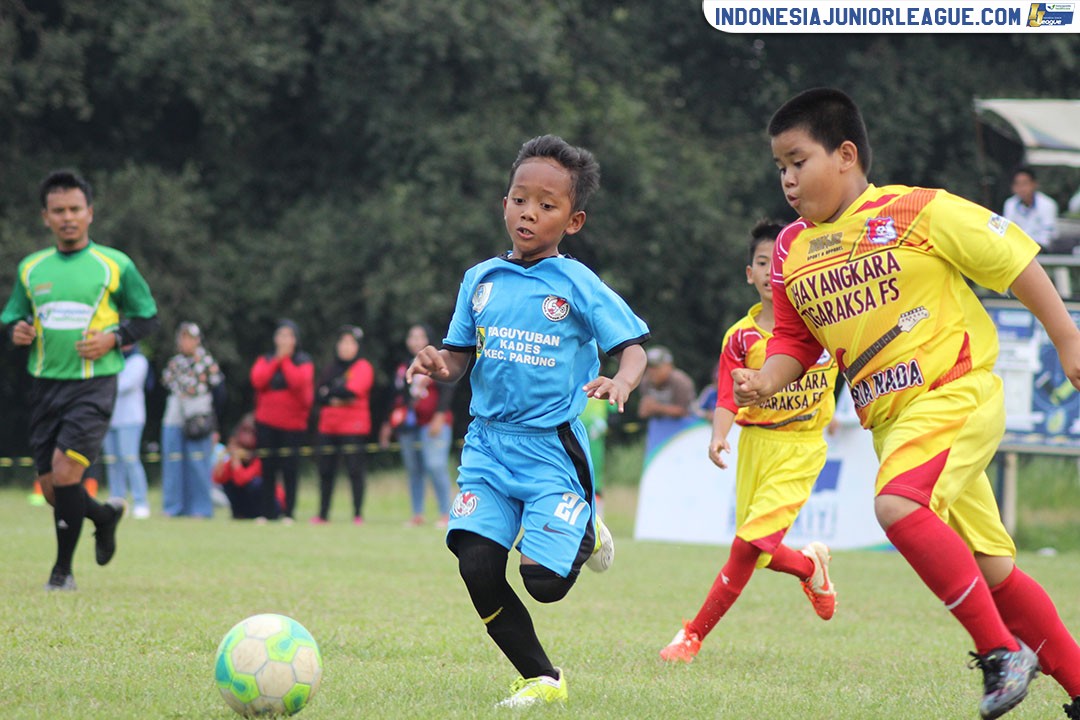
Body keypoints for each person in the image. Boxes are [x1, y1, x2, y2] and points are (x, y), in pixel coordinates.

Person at [734, 87, 1080, 720]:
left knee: (897, 504)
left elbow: (1015, 261)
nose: (786, 179)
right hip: (895, 428)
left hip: (955, 393)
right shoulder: (793, 249)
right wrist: (765, 381)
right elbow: (794, 339)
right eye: (779, 167)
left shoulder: (919, 210)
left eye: (797, 161)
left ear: (845, 155)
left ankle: (1001, 654)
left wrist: (1067, 337)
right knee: (992, 569)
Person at [407, 134, 650, 708]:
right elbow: (461, 358)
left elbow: (634, 346)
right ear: (505, 202)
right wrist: (441, 366)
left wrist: (622, 381)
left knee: (543, 583)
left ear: (573, 220)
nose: (529, 212)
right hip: (488, 445)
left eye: (547, 204)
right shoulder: (480, 280)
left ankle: (585, 530)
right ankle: (542, 679)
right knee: (477, 563)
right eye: (520, 199)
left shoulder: (577, 283)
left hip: (550, 450)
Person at [659, 220, 839, 663]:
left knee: (747, 545)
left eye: (779, 262)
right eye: (763, 262)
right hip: (755, 445)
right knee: (756, 551)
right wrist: (719, 436)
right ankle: (808, 567)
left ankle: (692, 636)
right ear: (750, 273)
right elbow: (726, 394)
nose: (770, 271)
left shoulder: (826, 325)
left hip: (801, 446)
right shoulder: (739, 337)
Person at [1, 169, 159, 590]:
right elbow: (12, 314)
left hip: (94, 385)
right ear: (45, 217)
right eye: (58, 211)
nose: (67, 217)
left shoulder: (114, 264)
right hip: (44, 385)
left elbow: (147, 316)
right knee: (53, 488)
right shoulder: (31, 268)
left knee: (67, 472)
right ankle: (104, 516)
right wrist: (15, 328)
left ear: (90, 213)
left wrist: (115, 338)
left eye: (75, 209)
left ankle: (61, 573)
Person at [379, 323, 456, 528]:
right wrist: (389, 423)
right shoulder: (403, 367)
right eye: (412, 337)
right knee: (414, 469)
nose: (416, 341)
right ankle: (417, 514)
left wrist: (439, 415)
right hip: (409, 426)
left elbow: (448, 388)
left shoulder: (437, 361)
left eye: (420, 337)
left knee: (436, 465)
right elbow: (397, 397)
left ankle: (446, 513)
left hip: (434, 423)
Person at [249, 319, 314, 523]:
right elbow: (258, 380)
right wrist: (276, 360)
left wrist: (284, 361)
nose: (284, 340)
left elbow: (298, 383)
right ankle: (267, 512)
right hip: (266, 423)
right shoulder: (266, 359)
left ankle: (289, 513)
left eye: (288, 336)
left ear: (295, 340)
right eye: (281, 335)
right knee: (267, 469)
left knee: (290, 469)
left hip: (292, 426)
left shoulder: (303, 361)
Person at [312, 325, 373, 525]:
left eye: (350, 343)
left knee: (355, 472)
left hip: (353, 427)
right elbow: (318, 395)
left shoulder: (363, 366)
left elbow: (351, 392)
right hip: (328, 427)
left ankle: (357, 514)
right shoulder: (330, 368)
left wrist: (332, 392)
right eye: (342, 342)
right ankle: (322, 514)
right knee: (325, 472)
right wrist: (334, 393)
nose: (345, 347)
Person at [160, 322, 223, 518]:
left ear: (197, 340)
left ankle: (201, 509)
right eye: (183, 338)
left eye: (190, 338)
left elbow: (220, 393)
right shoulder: (175, 362)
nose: (186, 342)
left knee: (197, 463)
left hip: (198, 416)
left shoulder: (206, 361)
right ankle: (174, 507)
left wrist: (215, 424)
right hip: (174, 415)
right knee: (173, 462)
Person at [103, 342, 151, 519]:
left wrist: (103, 384)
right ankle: (117, 500)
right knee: (112, 462)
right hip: (109, 418)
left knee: (130, 459)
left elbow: (125, 385)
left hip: (130, 418)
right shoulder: (110, 359)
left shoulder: (138, 361)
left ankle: (141, 502)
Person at [212, 413, 271, 519]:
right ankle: (239, 514)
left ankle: (262, 514)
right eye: (244, 431)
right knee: (229, 484)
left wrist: (236, 461)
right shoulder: (237, 453)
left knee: (255, 484)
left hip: (270, 504)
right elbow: (218, 478)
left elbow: (241, 479)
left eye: (250, 431)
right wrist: (224, 458)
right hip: (245, 502)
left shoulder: (260, 457)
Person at [1002, 165, 1058, 250]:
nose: (1021, 188)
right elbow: (1008, 231)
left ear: (1034, 184)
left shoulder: (1047, 204)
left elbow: (1048, 234)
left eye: (1025, 184)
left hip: (1041, 250)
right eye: (1017, 184)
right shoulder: (1010, 204)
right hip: (1016, 250)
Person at [636, 345, 697, 421]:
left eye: (656, 367)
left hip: (686, 425)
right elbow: (644, 411)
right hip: (660, 425)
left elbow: (685, 411)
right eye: (649, 368)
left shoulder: (680, 381)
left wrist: (656, 407)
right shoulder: (646, 382)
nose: (652, 372)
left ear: (669, 366)